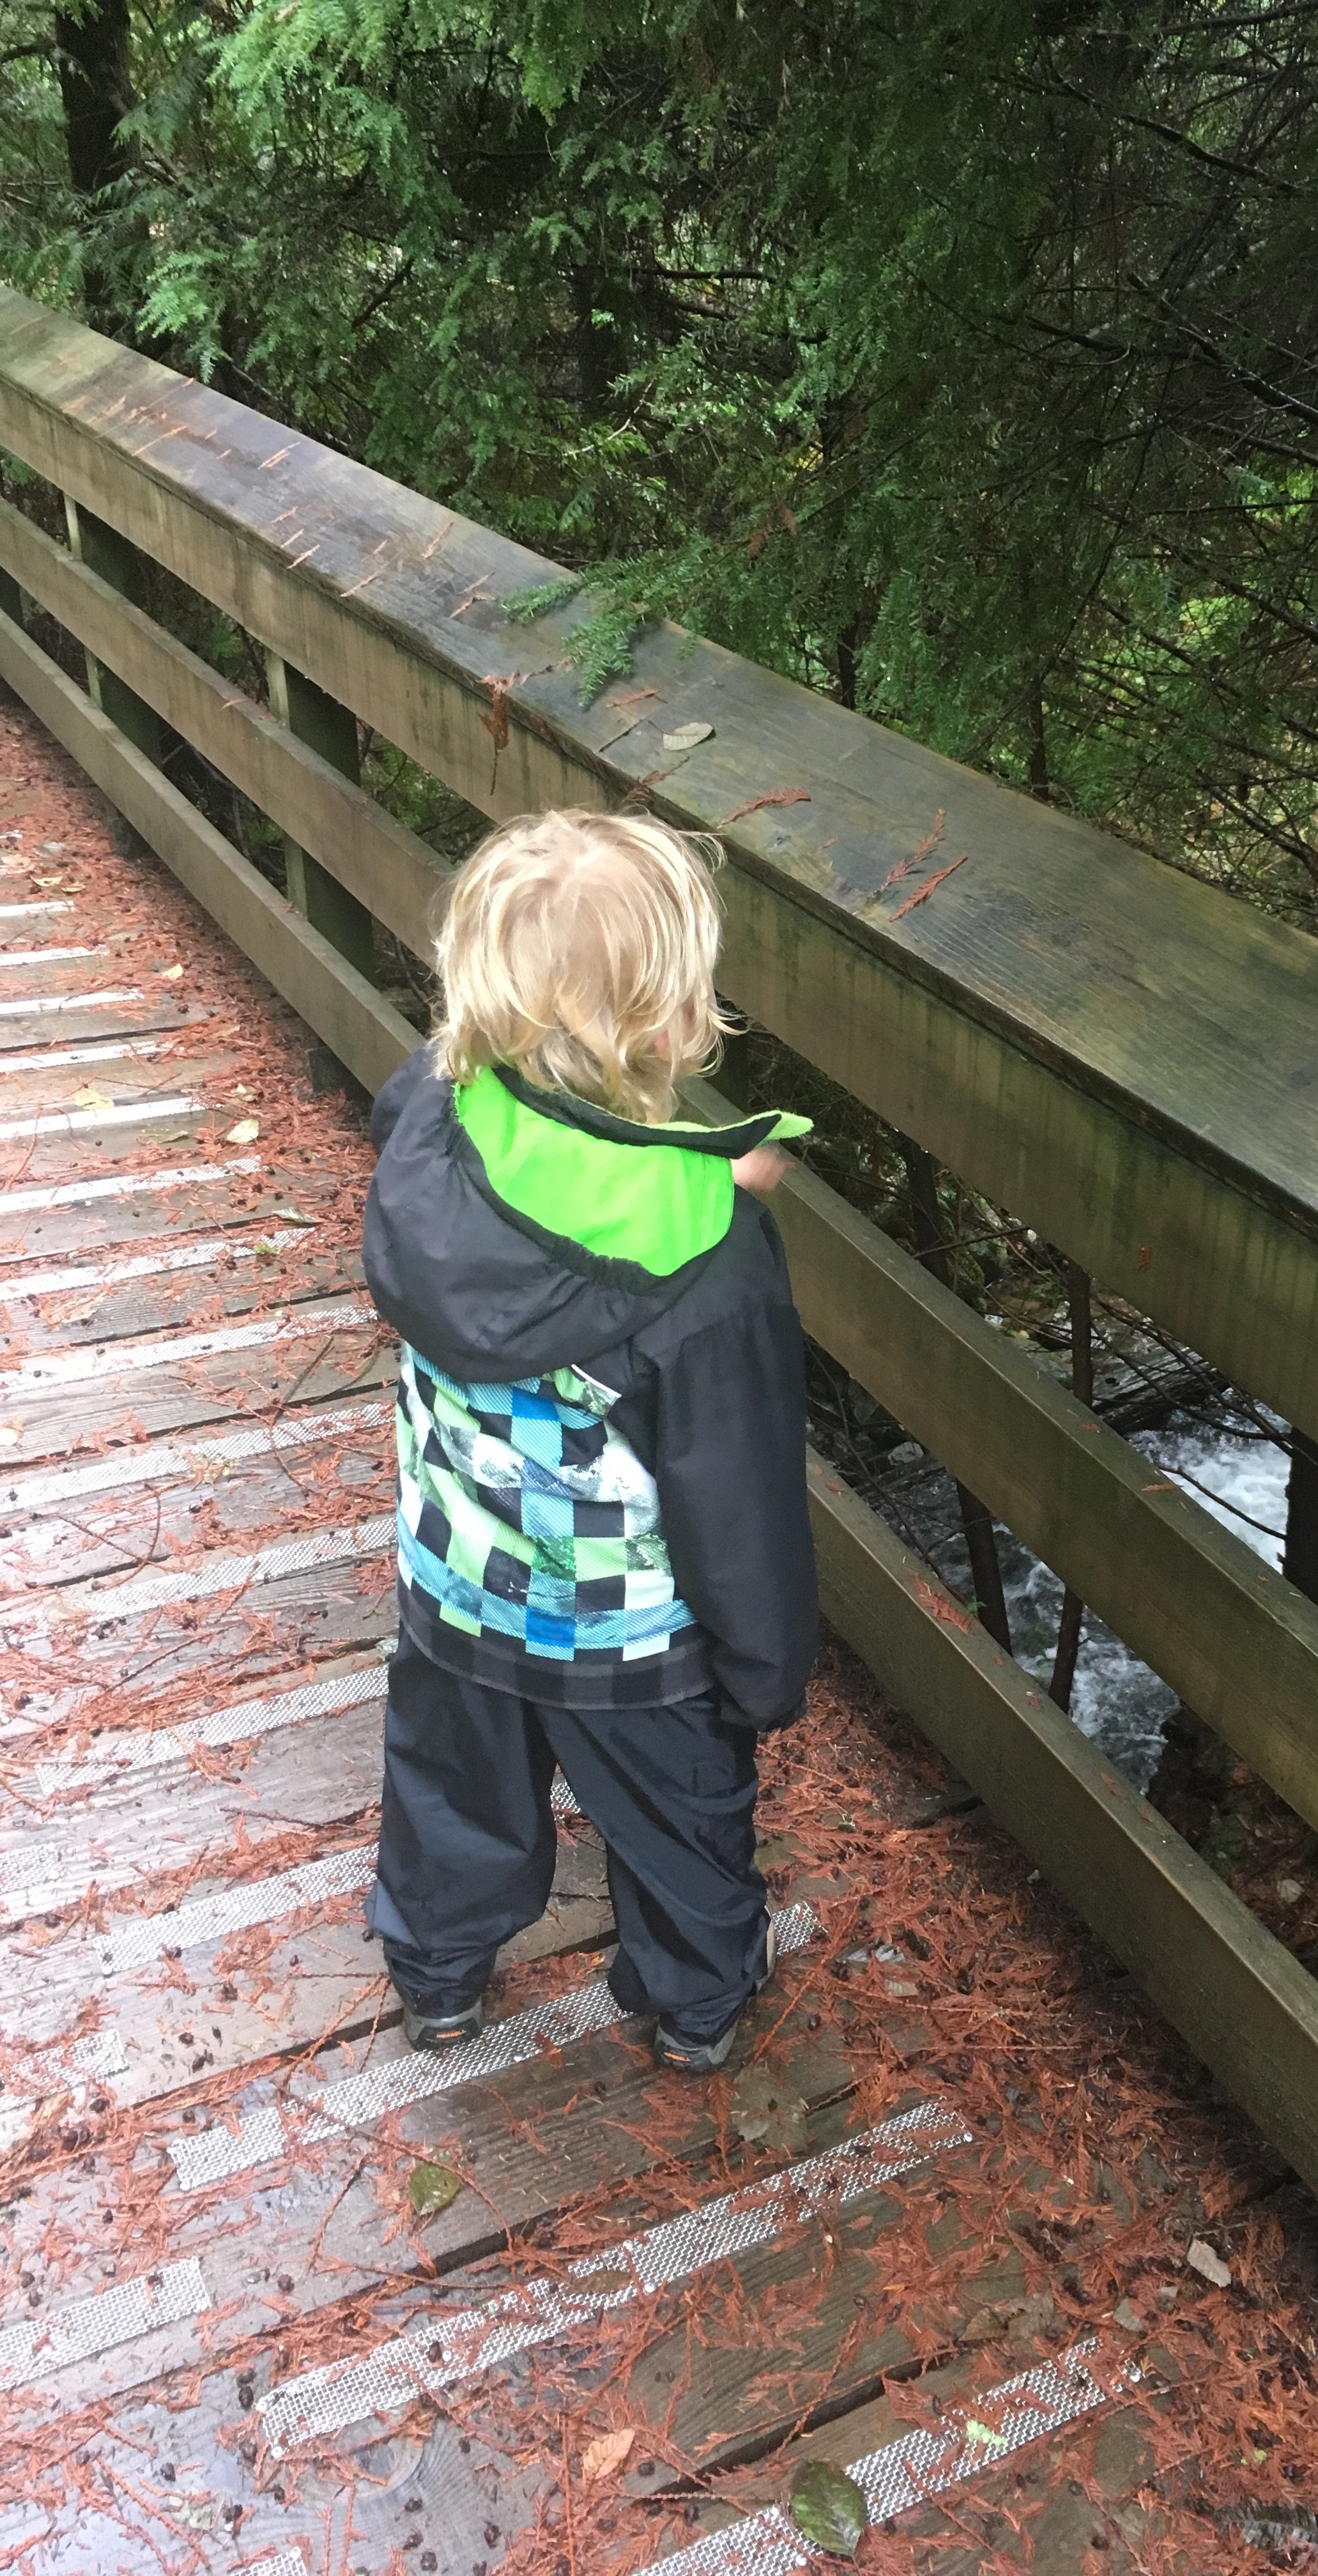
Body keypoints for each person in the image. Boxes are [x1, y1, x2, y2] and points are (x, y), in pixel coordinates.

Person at [359, 808, 818, 2073]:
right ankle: (697, 2009)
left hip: (458, 1587)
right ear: (674, 1022)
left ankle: (437, 1980)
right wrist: (767, 1668)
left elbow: (530, 1191)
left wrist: (698, 1179)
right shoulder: (710, 1260)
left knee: (450, 1794)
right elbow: (737, 1497)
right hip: (629, 1640)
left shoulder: (428, 1120)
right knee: (681, 1827)